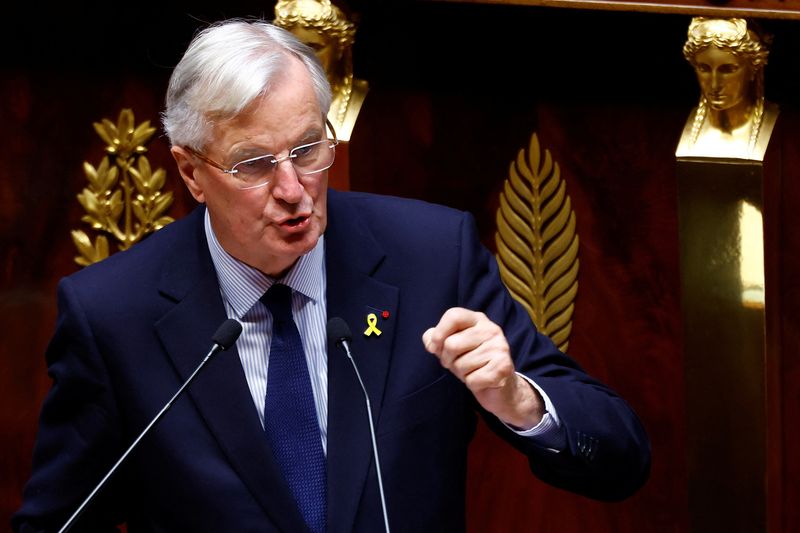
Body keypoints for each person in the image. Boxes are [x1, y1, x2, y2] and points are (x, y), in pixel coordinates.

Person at [13, 18, 650, 533]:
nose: (293, 190)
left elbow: (620, 458)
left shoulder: (430, 257)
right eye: (255, 164)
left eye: (308, 150)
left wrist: (520, 402)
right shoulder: (113, 314)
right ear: (189, 172)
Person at [676, 17, 779, 160]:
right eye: (704, 68)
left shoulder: (777, 124)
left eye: (728, 70)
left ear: (753, 69)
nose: (714, 85)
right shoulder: (681, 128)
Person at [274, 0, 368, 142]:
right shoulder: (269, 98)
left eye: (315, 48)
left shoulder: (362, 98)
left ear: (340, 47)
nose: (303, 57)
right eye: (294, 47)